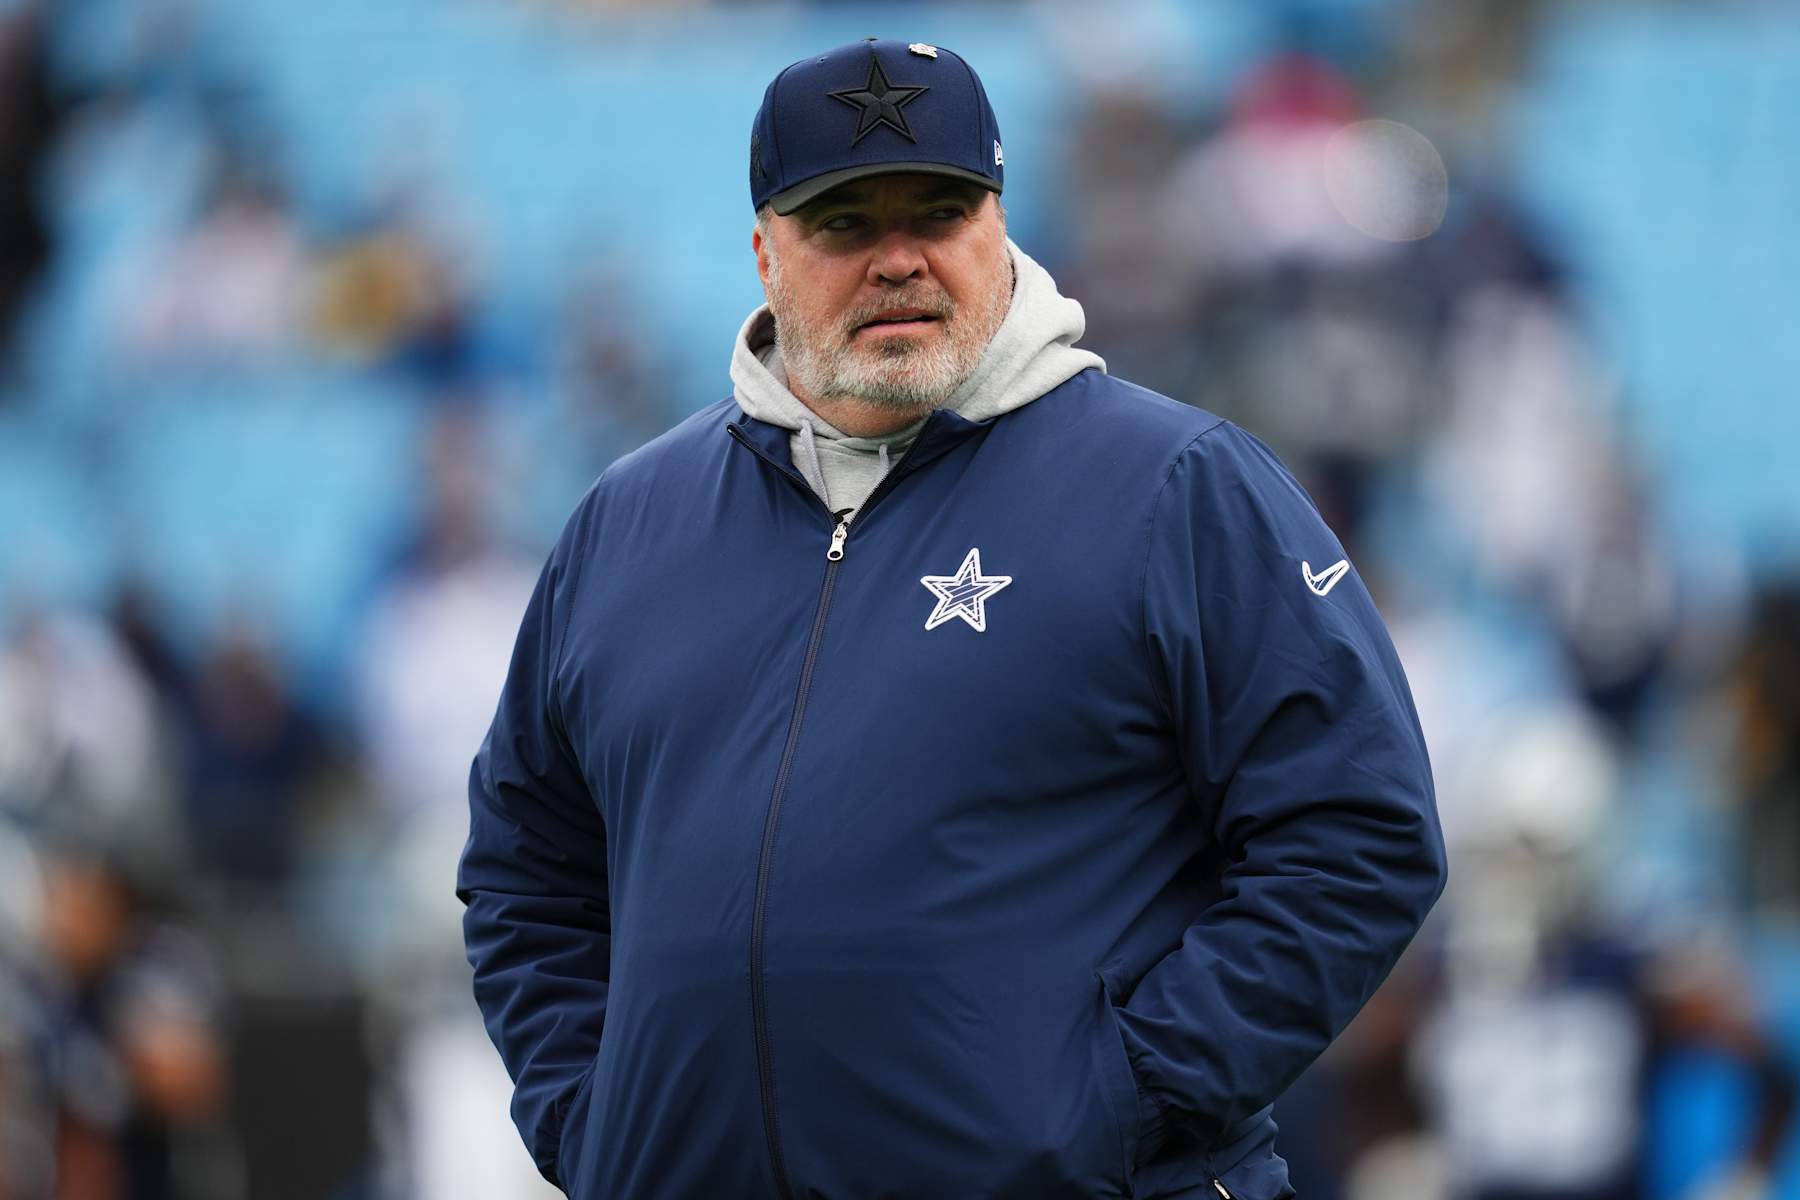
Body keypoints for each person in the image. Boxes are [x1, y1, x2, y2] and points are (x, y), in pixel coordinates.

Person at [459, 37, 1447, 1200]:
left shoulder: (1174, 485)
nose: (899, 260)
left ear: (998, 223)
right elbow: (528, 872)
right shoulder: (627, 526)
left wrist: (1117, 1102)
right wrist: (599, 1124)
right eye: (844, 221)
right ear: (765, 253)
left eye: (940, 209)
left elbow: (1356, 830)